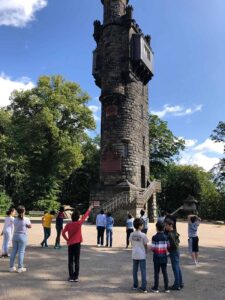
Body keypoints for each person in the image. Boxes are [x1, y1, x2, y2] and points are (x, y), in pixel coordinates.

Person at [62, 205, 93, 282]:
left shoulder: (68, 224)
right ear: (78, 217)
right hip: (77, 244)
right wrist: (89, 209)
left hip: (71, 244)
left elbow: (63, 233)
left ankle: (71, 276)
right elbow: (85, 217)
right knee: (76, 260)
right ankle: (76, 277)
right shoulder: (79, 223)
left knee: (70, 261)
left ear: (72, 217)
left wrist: (67, 239)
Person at [9, 206, 32, 273]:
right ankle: (20, 267)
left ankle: (11, 267)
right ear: (23, 211)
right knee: (21, 252)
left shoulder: (14, 219)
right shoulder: (26, 219)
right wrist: (26, 225)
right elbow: (30, 226)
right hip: (23, 236)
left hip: (15, 236)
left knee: (13, 251)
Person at [129, 218, 149, 293]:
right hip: (142, 254)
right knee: (143, 270)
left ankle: (135, 285)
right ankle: (143, 287)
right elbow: (145, 244)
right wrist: (146, 251)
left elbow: (131, 243)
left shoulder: (131, 234)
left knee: (135, 270)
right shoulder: (143, 235)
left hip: (134, 254)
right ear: (140, 226)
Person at [150, 222, 170, 293]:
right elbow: (168, 246)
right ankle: (166, 288)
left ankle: (156, 287)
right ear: (164, 228)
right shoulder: (166, 236)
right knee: (165, 272)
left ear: (156, 228)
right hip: (164, 257)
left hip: (156, 257)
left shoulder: (154, 237)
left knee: (156, 273)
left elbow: (152, 248)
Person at [165, 219, 183, 290]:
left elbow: (174, 245)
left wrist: (168, 250)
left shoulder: (170, 234)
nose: (165, 227)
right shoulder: (174, 232)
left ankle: (177, 284)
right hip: (176, 251)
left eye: (166, 225)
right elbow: (178, 241)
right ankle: (180, 283)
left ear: (171, 225)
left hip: (174, 252)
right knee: (177, 267)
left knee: (175, 268)